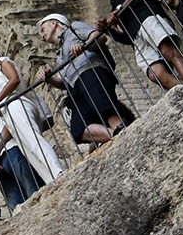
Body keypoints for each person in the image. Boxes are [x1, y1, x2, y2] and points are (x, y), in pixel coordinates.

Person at [0, 45, 64, 185]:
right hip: (10, 112)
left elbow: (14, 80)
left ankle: (57, 171)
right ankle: (51, 179)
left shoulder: (2, 62)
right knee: (27, 150)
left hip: (17, 104)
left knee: (33, 140)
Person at [94, 0, 183, 89]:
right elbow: (125, 37)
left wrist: (120, 8)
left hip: (148, 17)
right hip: (136, 35)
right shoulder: (114, 1)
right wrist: (108, 28)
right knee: (154, 72)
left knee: (169, 51)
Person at [38, 13, 132, 146]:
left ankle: (121, 128)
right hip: (75, 87)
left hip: (91, 70)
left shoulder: (74, 29)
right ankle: (115, 134)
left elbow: (99, 38)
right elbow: (64, 83)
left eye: (42, 29)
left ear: (54, 23)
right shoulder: (59, 56)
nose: (41, 36)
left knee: (103, 104)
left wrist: (84, 46)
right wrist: (50, 79)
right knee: (78, 129)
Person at [0, 84, 44, 212]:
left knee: (33, 193)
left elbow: (11, 127)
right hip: (2, 163)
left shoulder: (8, 104)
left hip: (14, 151)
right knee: (15, 206)